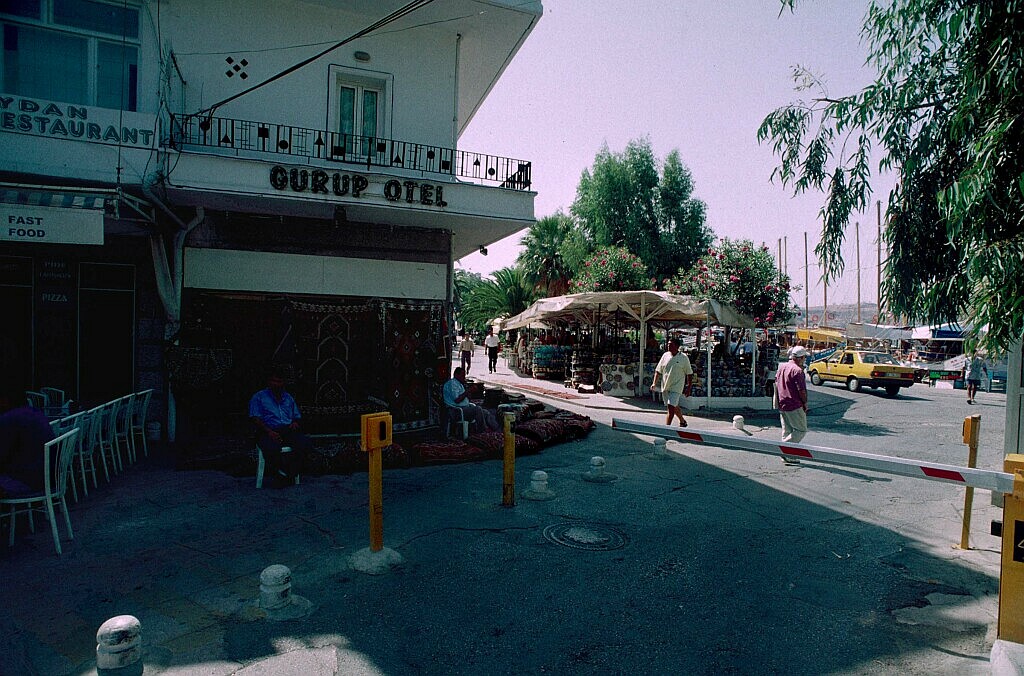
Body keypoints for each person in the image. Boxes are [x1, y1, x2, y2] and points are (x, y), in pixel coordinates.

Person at [249, 368, 311, 488]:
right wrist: (270, 432)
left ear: (283, 383)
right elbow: (255, 418)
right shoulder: (259, 397)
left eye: (279, 381)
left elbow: (296, 416)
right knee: (271, 449)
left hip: (287, 429)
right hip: (266, 430)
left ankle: (289, 472)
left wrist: (295, 422)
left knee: (305, 444)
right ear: (269, 382)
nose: (276, 384)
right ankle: (281, 473)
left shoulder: (288, 398)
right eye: (274, 381)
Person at [0, 382, 55, 498]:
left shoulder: (9, 419)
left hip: (26, 481)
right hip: (48, 477)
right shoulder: (36, 412)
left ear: (4, 401)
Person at [775, 345, 810, 464]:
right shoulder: (798, 371)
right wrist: (805, 403)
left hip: (782, 402)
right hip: (794, 404)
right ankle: (783, 449)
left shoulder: (782, 367)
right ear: (801, 358)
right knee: (801, 430)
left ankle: (788, 456)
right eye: (804, 357)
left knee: (787, 430)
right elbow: (801, 390)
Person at [651, 339, 693, 428]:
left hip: (677, 386)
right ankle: (682, 421)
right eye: (668, 344)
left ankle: (667, 428)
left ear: (677, 346)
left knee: (670, 408)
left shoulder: (684, 357)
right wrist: (654, 383)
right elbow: (658, 370)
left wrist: (688, 387)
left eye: (671, 345)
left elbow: (689, 373)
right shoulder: (665, 355)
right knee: (673, 405)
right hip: (666, 385)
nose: (668, 346)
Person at [443, 367, 499, 432]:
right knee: (478, 409)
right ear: (456, 375)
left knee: (486, 412)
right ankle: (482, 431)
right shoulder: (452, 384)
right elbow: (457, 400)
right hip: (456, 411)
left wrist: (469, 392)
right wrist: (468, 391)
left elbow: (465, 398)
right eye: (462, 375)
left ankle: (497, 430)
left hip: (464, 408)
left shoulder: (459, 384)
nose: (464, 377)